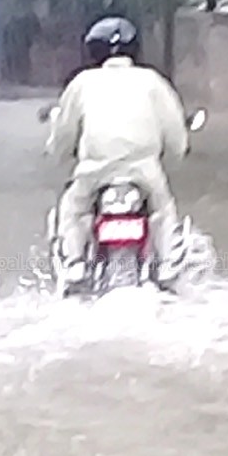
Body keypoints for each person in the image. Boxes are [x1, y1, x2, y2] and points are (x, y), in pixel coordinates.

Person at [46, 16, 190, 290]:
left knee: (72, 210)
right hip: (145, 172)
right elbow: (177, 137)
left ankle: (75, 264)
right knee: (163, 209)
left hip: (93, 173)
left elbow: (63, 137)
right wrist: (176, 155)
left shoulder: (81, 83)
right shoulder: (153, 82)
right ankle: (169, 261)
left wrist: (57, 152)